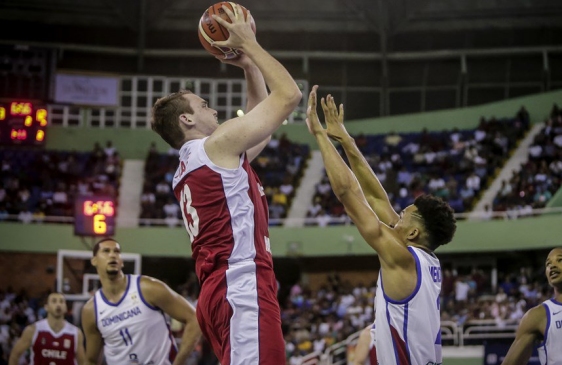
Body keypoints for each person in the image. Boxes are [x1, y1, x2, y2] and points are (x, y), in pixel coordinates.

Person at [150, 5, 302, 365]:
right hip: (241, 285)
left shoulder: (203, 158)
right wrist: (250, 45)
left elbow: (256, 114)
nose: (214, 110)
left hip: (222, 289)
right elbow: (288, 96)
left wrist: (249, 67)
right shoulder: (214, 146)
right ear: (186, 119)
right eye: (203, 106)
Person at [305, 85, 457, 365]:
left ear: (413, 232)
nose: (395, 217)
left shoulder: (402, 258)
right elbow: (376, 198)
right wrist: (346, 141)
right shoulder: (427, 260)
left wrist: (319, 134)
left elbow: (347, 194)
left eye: (403, 216)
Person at [81, 238, 201, 365]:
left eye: (116, 251)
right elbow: (91, 360)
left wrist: (178, 363)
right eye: (106, 251)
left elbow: (195, 318)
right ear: (94, 261)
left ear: (121, 261)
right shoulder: (91, 310)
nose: (112, 255)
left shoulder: (148, 288)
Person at [9, 292, 85, 365]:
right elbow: (15, 355)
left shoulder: (75, 333)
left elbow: (82, 362)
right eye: (54, 301)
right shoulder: (33, 330)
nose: (58, 305)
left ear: (65, 307)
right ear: (46, 307)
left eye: (61, 302)